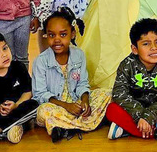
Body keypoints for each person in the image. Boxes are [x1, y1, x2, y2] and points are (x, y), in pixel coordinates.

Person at [32, 8, 110, 142]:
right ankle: (86, 123)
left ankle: (65, 127)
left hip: (76, 103)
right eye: (51, 35)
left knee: (107, 93)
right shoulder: (40, 61)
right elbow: (40, 95)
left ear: (72, 34)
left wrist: (85, 101)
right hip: (55, 105)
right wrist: (66, 106)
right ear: (46, 35)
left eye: (63, 35)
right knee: (43, 111)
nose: (57, 40)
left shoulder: (79, 55)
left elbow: (82, 83)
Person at [106, 18, 157, 143]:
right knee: (111, 110)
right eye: (146, 44)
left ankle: (127, 129)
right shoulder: (126, 65)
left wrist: (149, 116)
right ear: (135, 49)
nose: (154, 48)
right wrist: (140, 115)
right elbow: (119, 93)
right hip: (133, 109)